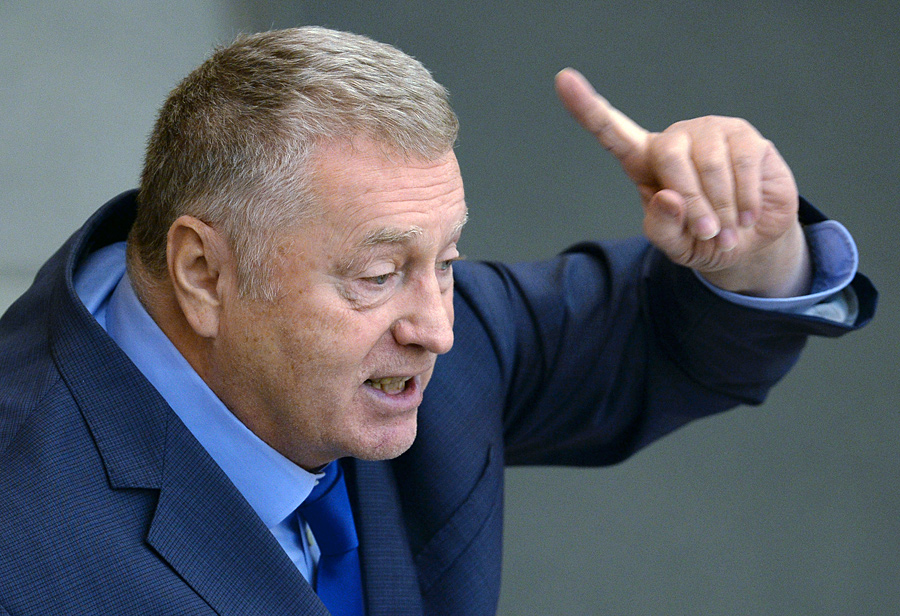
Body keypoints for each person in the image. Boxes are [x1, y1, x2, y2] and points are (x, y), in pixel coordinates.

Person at [0, 26, 875, 616]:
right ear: (203, 271)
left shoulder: (430, 346)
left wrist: (753, 246)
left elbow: (667, 340)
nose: (437, 330)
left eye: (447, 262)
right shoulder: (23, 529)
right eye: (379, 275)